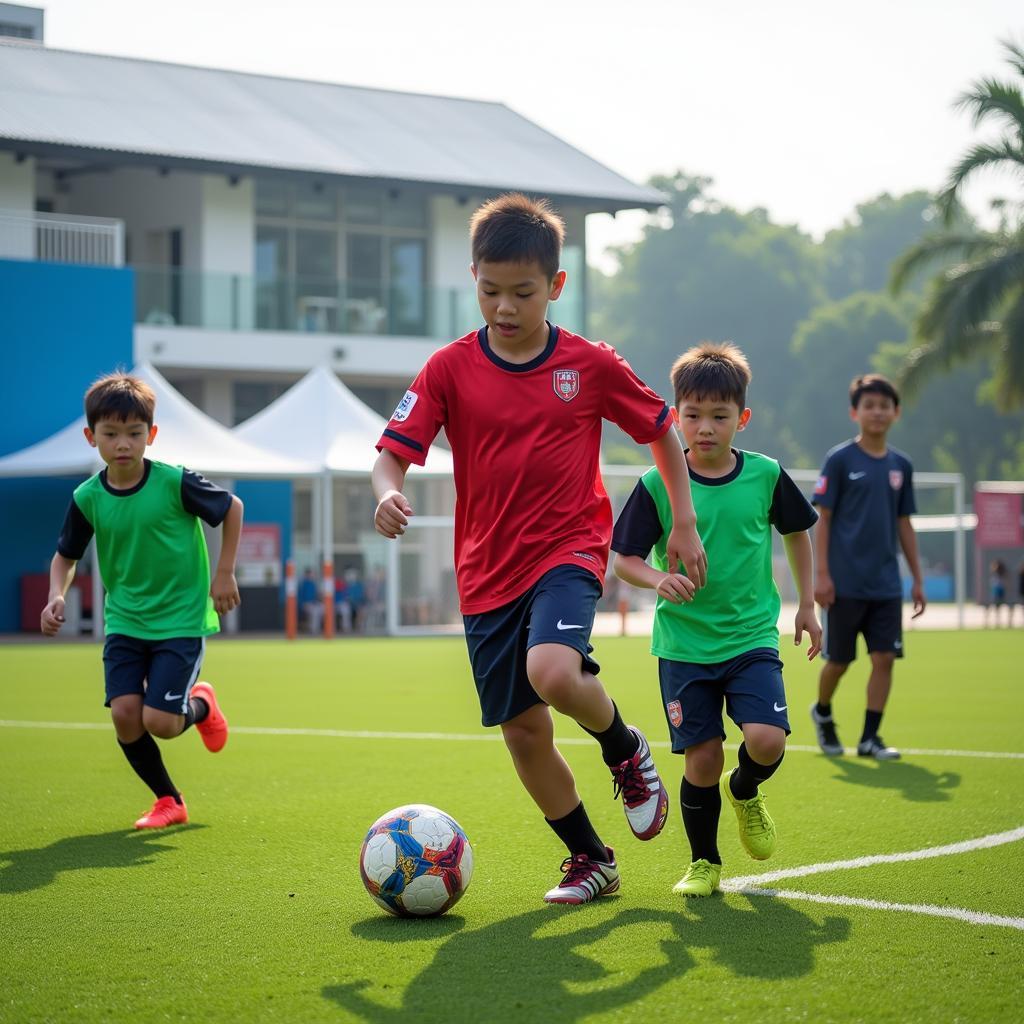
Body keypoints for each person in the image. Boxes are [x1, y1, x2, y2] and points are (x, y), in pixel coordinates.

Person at [371, 193, 707, 905]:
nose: (504, 306)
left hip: (568, 546)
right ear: (474, 279)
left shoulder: (588, 364)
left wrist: (682, 520)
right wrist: (384, 491)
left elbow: (660, 429)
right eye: (490, 290)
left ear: (555, 286)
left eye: (522, 292)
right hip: (484, 572)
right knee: (524, 733)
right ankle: (592, 858)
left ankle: (624, 749)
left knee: (553, 672)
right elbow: (393, 453)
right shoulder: (448, 368)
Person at [612, 342, 820, 898]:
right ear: (674, 415)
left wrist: (807, 603)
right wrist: (658, 580)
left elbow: (798, 532)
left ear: (742, 419)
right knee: (701, 758)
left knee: (767, 740)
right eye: (692, 415)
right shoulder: (658, 483)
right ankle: (705, 863)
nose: (704, 428)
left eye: (719, 416)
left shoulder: (766, 475)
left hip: (750, 637)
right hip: (684, 646)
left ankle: (746, 790)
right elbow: (624, 559)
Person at [40, 372, 241, 829]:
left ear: (150, 435)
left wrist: (224, 572)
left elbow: (231, 507)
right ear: (92, 437)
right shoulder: (87, 497)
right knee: (127, 716)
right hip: (125, 621)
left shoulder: (174, 482)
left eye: (134, 433)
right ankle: (169, 800)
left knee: (163, 723)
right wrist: (57, 596)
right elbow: (64, 556)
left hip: (180, 620)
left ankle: (203, 704)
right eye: (111, 434)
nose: (123, 443)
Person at [810, 373, 925, 762]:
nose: (877, 412)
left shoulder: (901, 466)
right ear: (854, 412)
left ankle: (870, 738)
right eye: (869, 406)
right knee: (838, 662)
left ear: (896, 413)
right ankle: (822, 712)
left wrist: (918, 579)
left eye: (884, 406)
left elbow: (904, 524)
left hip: (886, 585)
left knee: (884, 658)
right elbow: (822, 519)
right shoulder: (840, 460)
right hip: (844, 583)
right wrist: (821, 575)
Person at [298, 567, 324, 635]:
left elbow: (316, 596)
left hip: (314, 603)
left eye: (312, 574)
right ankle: (313, 629)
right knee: (315, 612)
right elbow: (300, 597)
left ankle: (319, 628)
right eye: (310, 574)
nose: (312, 575)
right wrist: (302, 605)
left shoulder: (313, 584)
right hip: (306, 604)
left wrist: (319, 597)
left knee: (322, 608)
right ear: (307, 574)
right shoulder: (303, 584)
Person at [987, 559, 1008, 627]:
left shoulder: (1001, 574)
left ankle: (998, 621)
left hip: (999, 591)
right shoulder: (993, 574)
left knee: (998, 606)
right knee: (992, 606)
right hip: (995, 591)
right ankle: (989, 621)